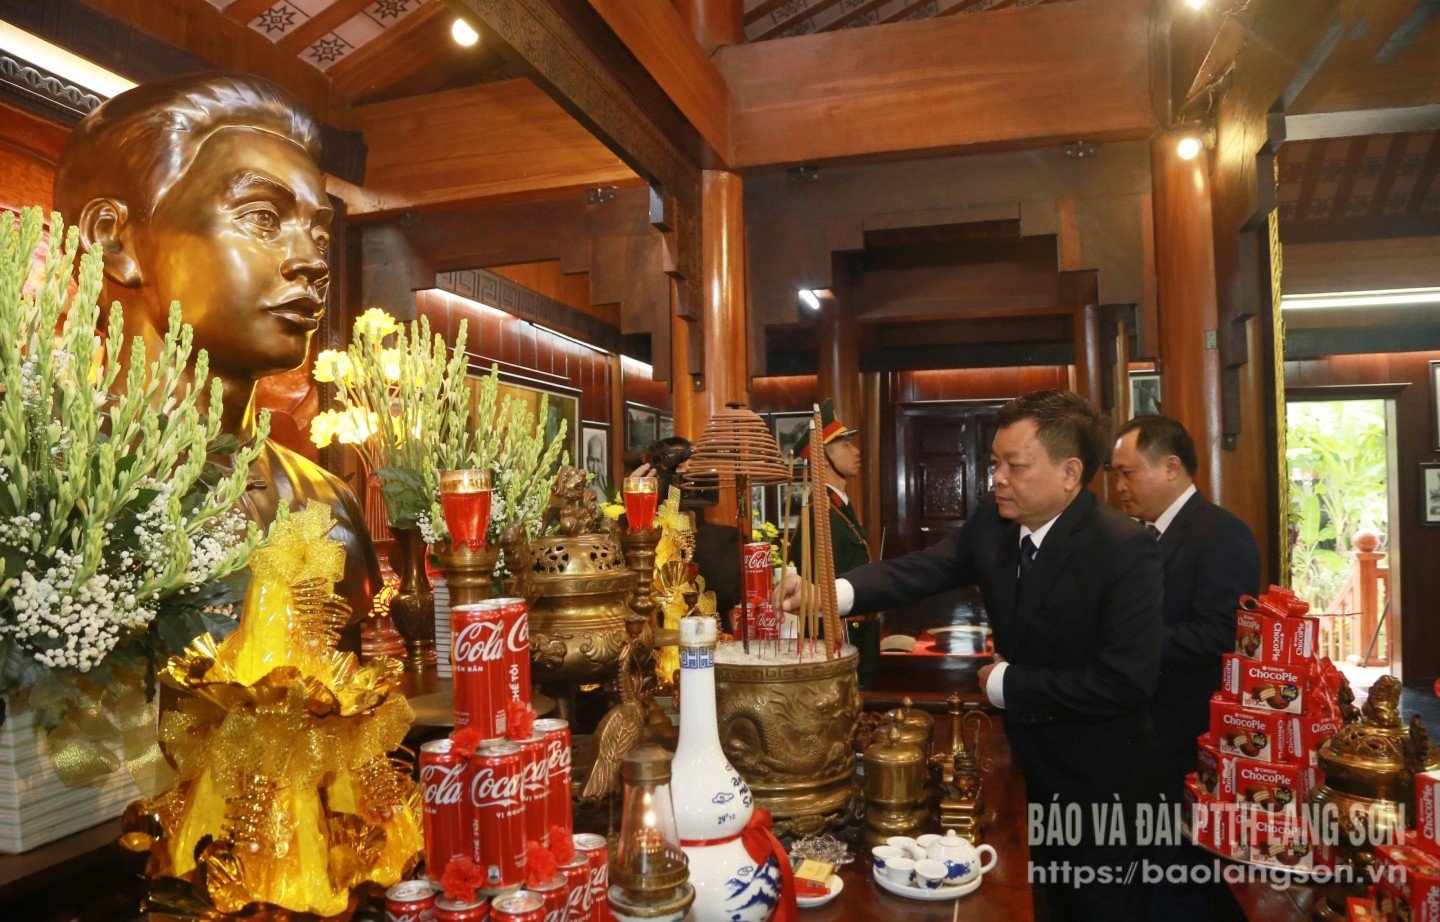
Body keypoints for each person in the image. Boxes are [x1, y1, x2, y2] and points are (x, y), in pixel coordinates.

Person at [784, 389, 1162, 919]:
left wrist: (1007, 685)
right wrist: (830, 592)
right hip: (1023, 764)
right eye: (994, 464)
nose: (997, 479)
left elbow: (1126, 682)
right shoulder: (996, 522)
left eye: (1015, 466)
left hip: (1100, 777)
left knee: (1096, 905)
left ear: (1070, 472)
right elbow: (923, 568)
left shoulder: (1123, 548)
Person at [54, 71, 378, 624]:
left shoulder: (328, 504)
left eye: (320, 235)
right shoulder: (49, 488)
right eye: (263, 217)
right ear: (115, 240)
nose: (313, 263)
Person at [1109, 416, 1258, 921]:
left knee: (1177, 873)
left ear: (1170, 466)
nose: (1120, 486)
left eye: (1128, 473)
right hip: (1141, 731)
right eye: (1115, 475)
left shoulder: (1220, 532)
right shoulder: (1139, 535)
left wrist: (1129, 647)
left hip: (1185, 734)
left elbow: (1222, 633)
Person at [792, 398, 879, 687]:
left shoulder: (838, 508)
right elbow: (818, 593)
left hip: (858, 633)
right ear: (822, 456)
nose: (855, 452)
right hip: (842, 639)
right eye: (844, 444)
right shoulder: (821, 514)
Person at [631, 437, 741, 620]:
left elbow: (726, 595)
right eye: (677, 469)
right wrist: (635, 508)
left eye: (692, 470)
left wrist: (690, 532)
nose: (683, 479)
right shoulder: (639, 534)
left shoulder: (727, 538)